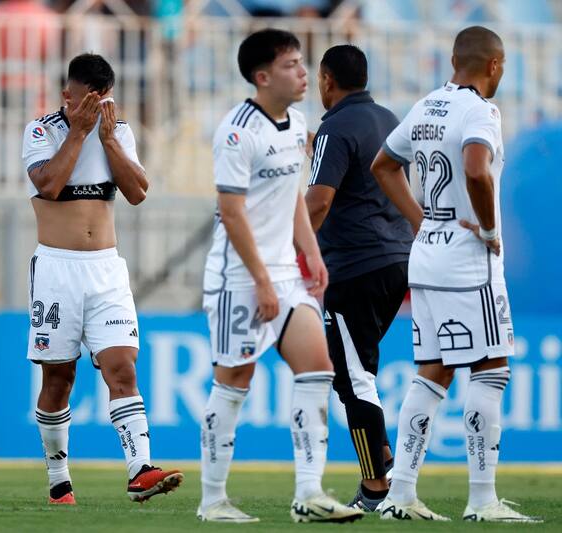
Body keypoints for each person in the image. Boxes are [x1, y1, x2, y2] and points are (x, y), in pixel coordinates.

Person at [371, 26, 540, 522]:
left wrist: (421, 220)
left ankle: (400, 493)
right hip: (469, 260)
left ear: (453, 60)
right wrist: (488, 228)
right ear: (494, 65)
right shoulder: (481, 111)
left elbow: (385, 165)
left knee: (433, 372)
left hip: (426, 255)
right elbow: (474, 166)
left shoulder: (426, 106)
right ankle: (483, 499)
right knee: (491, 370)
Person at [197, 29, 364, 524]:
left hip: (287, 274)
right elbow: (232, 214)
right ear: (262, 76)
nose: (303, 72)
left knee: (318, 370)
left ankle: (309, 494)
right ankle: (212, 501)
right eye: (292, 64)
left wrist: (310, 253)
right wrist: (262, 282)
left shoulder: (298, 124)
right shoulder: (236, 130)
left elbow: (293, 194)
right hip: (238, 280)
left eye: (302, 62)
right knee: (234, 381)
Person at [21, 53, 183, 505]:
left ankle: (140, 470)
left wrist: (109, 140)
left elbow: (137, 192)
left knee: (122, 367)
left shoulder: (120, 131)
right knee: (59, 379)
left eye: (104, 101)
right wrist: (78, 132)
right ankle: (58, 479)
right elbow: (49, 186)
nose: (96, 110)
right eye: (86, 102)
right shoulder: (42, 131)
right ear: (66, 96)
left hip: (107, 268)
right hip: (56, 269)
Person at [305, 44, 412, 512]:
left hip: (355, 265)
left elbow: (319, 201)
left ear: (327, 80)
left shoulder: (334, 128)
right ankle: (382, 454)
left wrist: (292, 254)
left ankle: (376, 487)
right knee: (357, 368)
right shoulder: (388, 119)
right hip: (398, 259)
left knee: (354, 379)